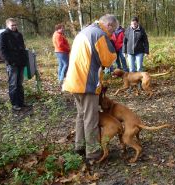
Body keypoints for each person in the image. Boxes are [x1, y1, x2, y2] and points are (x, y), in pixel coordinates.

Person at [62, 14, 118, 167]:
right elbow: (108, 59)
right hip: (86, 82)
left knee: (81, 115)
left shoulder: (85, 31)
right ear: (109, 25)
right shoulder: (99, 34)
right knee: (91, 118)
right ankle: (92, 153)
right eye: (112, 31)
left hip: (73, 81)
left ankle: (79, 147)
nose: (112, 34)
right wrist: (114, 48)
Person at [0, 18, 28, 111]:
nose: (14, 27)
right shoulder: (4, 35)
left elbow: (23, 48)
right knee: (13, 84)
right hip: (12, 64)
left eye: (15, 25)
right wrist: (10, 61)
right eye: (12, 25)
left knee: (20, 84)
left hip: (21, 62)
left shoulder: (19, 35)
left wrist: (25, 59)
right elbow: (2, 51)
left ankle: (21, 102)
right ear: (7, 25)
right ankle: (15, 104)